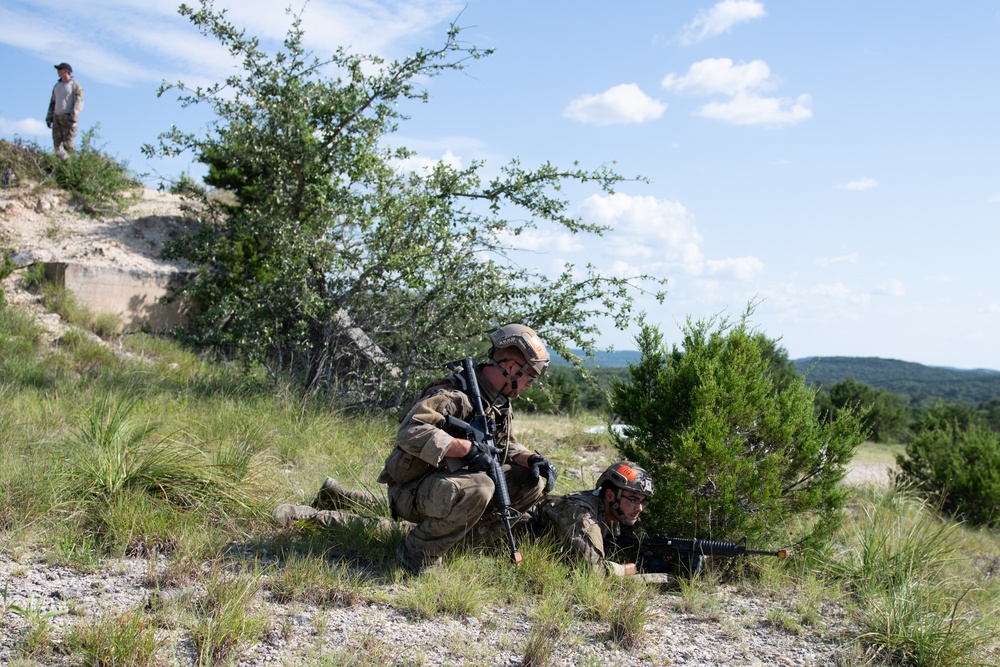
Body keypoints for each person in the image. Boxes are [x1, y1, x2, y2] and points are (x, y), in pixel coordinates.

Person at [377, 323, 558, 573]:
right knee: (481, 487)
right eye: (531, 377)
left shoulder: (497, 401)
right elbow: (410, 432)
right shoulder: (452, 394)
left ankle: (460, 545)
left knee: (532, 480)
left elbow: (505, 446)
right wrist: (466, 449)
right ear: (511, 368)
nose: (530, 384)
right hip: (411, 489)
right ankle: (417, 553)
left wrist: (532, 459)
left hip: (449, 486)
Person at [533, 461, 655, 577]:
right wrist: (630, 569)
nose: (639, 508)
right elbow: (592, 570)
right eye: (633, 499)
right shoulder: (583, 515)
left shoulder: (625, 514)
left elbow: (642, 545)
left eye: (642, 501)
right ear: (610, 495)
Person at [45, 62, 84, 158]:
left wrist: (74, 116)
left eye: (60, 69)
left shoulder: (75, 85)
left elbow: (79, 101)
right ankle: (60, 165)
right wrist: (49, 117)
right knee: (57, 144)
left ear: (66, 71)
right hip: (56, 117)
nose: (58, 71)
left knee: (68, 144)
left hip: (68, 118)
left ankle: (73, 166)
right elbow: (52, 102)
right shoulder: (57, 86)